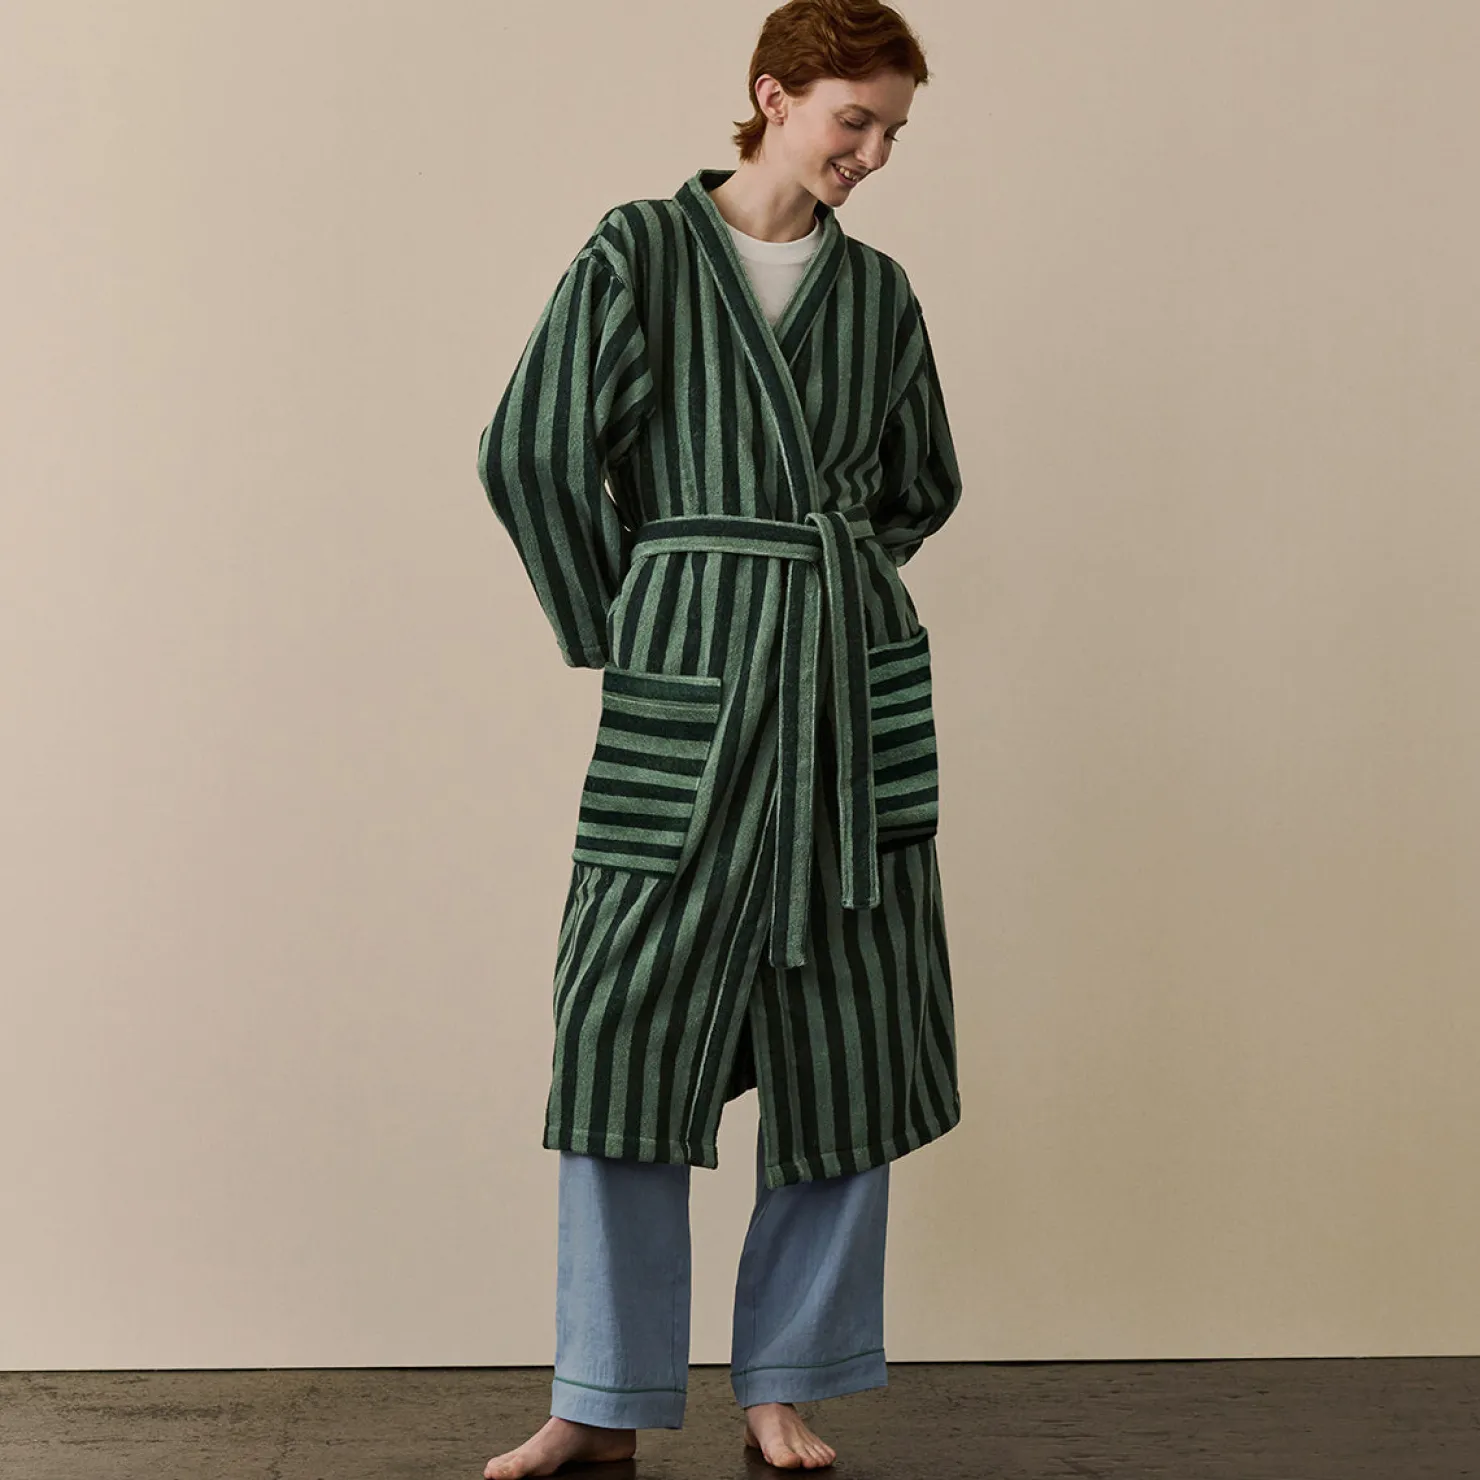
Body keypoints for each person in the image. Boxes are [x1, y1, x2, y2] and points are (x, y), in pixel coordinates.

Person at [475, 2, 964, 1473]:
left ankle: (786, 1381)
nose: (873, 154)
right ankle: (600, 1395)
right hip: (687, 684)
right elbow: (532, 448)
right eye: (853, 120)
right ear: (775, 94)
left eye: (892, 131)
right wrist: (637, 618)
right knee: (622, 1032)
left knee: (852, 1037)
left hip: (846, 695)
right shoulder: (638, 253)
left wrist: (833, 592)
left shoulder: (879, 296)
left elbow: (922, 483)